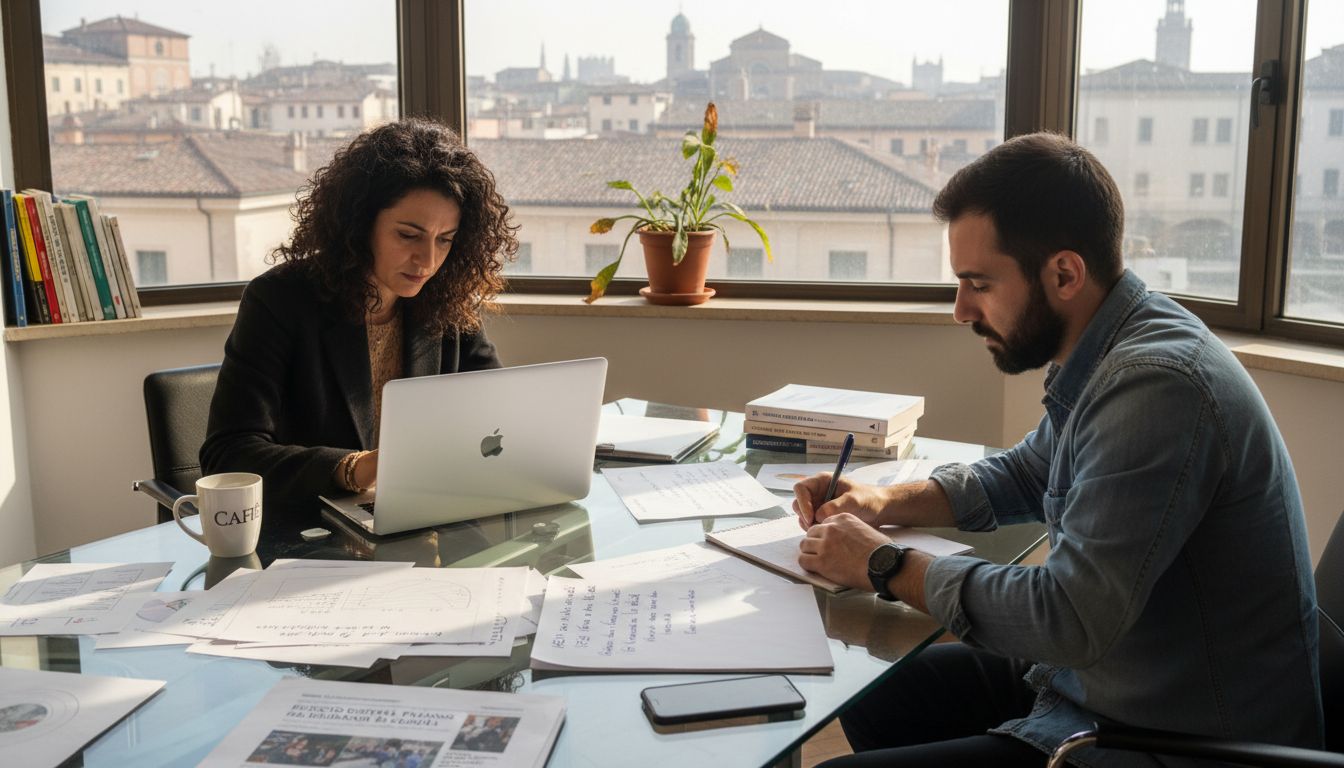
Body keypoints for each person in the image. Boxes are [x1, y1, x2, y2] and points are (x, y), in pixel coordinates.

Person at [795, 133, 1322, 767]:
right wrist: (883, 499)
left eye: (978, 283)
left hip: (1176, 739)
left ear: (1064, 273)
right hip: (1105, 683)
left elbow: (1067, 617)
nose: (961, 310)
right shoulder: (1114, 347)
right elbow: (1025, 472)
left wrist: (884, 565)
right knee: (876, 696)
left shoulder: (1158, 386)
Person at [201, 117, 516, 514]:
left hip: (423, 517)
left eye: (445, 240)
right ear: (360, 224)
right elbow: (228, 455)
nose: (428, 260)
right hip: (314, 535)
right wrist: (355, 468)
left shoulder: (445, 300)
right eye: (408, 235)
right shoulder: (279, 300)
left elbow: (502, 413)